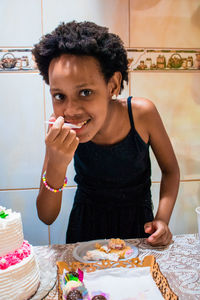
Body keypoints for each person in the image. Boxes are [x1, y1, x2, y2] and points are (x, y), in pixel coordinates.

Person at [33, 20, 180, 246]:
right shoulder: (59, 131)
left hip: (139, 230)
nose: (70, 111)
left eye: (85, 92)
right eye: (59, 96)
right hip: (84, 232)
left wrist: (162, 219)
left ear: (112, 85)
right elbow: (46, 216)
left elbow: (171, 171)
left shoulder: (142, 114)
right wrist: (57, 163)